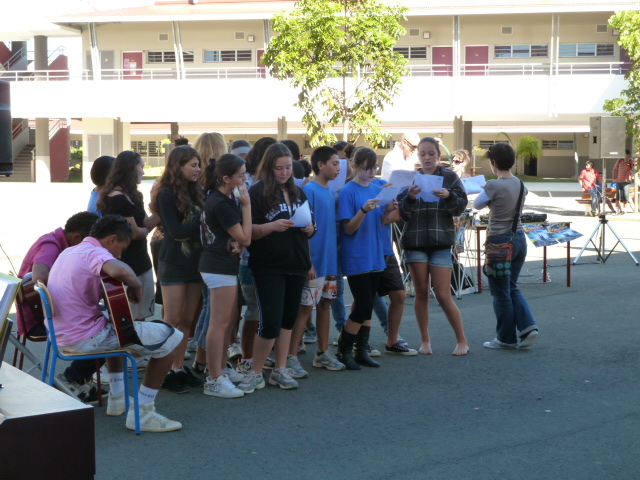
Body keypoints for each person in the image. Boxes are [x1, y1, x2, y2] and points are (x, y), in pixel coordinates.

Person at [47, 215, 184, 432]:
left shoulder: (69, 252)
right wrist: (136, 284)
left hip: (61, 336)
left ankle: (118, 398)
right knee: (174, 337)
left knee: (115, 326)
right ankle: (143, 412)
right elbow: (119, 270)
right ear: (111, 239)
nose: (120, 255)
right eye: (121, 248)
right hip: (84, 338)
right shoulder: (94, 252)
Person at [237, 143, 315, 392]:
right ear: (269, 167)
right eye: (279, 168)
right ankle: (255, 371)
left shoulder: (298, 192)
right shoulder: (257, 191)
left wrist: (310, 228)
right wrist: (273, 226)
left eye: (288, 167)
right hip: (268, 265)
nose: (284, 172)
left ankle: (280, 369)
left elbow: (311, 226)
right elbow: (248, 232)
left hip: (297, 262)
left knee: (287, 320)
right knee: (269, 321)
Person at [397, 137, 470, 356]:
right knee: (421, 293)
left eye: (431, 154)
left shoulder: (449, 176)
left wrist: (449, 196)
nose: (427, 158)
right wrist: (410, 198)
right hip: (415, 241)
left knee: (443, 294)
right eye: (423, 154)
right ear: (418, 156)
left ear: (439, 156)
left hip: (440, 241)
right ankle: (425, 341)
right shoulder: (410, 178)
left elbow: (460, 207)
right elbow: (402, 212)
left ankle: (462, 341)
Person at [17, 211, 101, 403]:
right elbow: (39, 276)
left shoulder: (58, 242)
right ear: (77, 237)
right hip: (38, 320)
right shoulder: (51, 244)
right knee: (103, 333)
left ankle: (81, 382)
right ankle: (70, 380)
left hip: (48, 315)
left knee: (97, 325)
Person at [149, 145, 204, 392]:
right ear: (178, 166)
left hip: (195, 262)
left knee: (187, 320)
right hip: (173, 262)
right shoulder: (166, 193)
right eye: (193, 165)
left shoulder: (197, 191)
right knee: (171, 321)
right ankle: (162, 372)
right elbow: (176, 231)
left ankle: (178, 368)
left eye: (198, 165)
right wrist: (204, 227)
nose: (198, 169)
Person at [473, 143, 539, 349]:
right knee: (511, 286)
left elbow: (476, 204)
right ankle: (528, 327)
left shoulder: (493, 185)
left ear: (493, 162)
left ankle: (505, 338)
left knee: (500, 292)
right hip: (519, 238)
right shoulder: (520, 183)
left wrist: (487, 191)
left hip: (499, 243)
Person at [336, 147, 396, 369]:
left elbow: (382, 221)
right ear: (354, 167)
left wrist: (388, 210)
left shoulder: (378, 188)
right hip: (357, 256)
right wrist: (363, 210)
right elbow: (348, 229)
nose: (372, 172)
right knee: (362, 305)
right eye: (367, 168)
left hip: (375, 253)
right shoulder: (348, 191)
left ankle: (361, 350)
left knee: (368, 304)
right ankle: (344, 349)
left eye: (374, 167)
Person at [287, 146, 345, 377]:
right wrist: (309, 262)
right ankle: (290, 357)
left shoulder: (330, 192)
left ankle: (322, 352)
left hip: (329, 262)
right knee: (304, 310)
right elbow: (303, 229)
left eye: (339, 164)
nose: (338, 168)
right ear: (320, 165)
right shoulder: (308, 190)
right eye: (334, 163)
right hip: (314, 263)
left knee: (325, 305)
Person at [199, 154, 252, 398]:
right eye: (241, 175)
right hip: (217, 267)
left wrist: (234, 242)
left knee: (227, 322)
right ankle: (213, 379)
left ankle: (220, 369)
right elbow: (246, 238)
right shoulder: (221, 202)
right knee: (219, 324)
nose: (245, 179)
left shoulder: (224, 197)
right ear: (226, 178)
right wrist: (247, 206)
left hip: (223, 264)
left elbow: (232, 237)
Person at [99, 150, 160, 322]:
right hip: (127, 263)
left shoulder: (133, 195)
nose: (143, 172)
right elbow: (134, 233)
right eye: (141, 166)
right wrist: (145, 231)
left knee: (142, 317)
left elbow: (146, 222)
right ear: (131, 168)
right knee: (131, 319)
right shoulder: (117, 199)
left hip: (142, 261)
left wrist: (163, 207)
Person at [612, 150, 635, 214]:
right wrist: (614, 178)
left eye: (624, 154)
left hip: (626, 181)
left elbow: (634, 168)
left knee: (626, 195)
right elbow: (615, 169)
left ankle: (625, 209)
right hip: (619, 181)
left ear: (628, 155)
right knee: (618, 196)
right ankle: (617, 209)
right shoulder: (619, 161)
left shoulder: (630, 162)